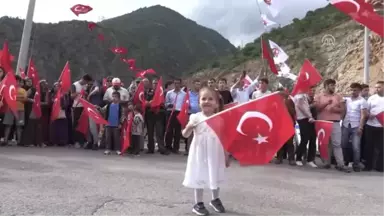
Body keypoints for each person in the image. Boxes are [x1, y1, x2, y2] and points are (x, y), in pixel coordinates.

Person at [182, 87, 229, 216]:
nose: (207, 101)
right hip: (199, 152)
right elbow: (185, 135)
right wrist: (190, 127)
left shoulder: (219, 119)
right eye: (203, 98)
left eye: (210, 99)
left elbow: (223, 138)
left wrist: (226, 154)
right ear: (199, 102)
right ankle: (198, 203)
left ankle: (215, 199)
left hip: (215, 152)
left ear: (216, 103)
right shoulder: (195, 117)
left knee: (216, 174)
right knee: (199, 175)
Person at [314, 79, 350, 172]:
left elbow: (343, 109)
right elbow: (317, 109)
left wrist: (334, 109)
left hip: (335, 122)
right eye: (331, 85)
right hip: (323, 122)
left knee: (337, 144)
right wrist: (326, 103)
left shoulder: (338, 96)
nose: (333, 87)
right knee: (325, 143)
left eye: (334, 85)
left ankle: (340, 164)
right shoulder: (319, 96)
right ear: (326, 86)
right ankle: (326, 163)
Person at [341, 83, 367, 172]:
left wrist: (361, 127)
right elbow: (343, 110)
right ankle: (345, 162)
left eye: (355, 90)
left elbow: (363, 115)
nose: (353, 92)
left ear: (359, 91)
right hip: (346, 124)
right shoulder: (347, 100)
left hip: (356, 126)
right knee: (343, 144)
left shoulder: (362, 101)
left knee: (356, 147)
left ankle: (356, 164)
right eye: (351, 90)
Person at [293, 87, 317, 168]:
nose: (312, 92)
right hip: (303, 119)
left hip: (310, 119)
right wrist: (309, 116)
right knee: (305, 139)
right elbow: (301, 107)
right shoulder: (300, 96)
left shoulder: (307, 97)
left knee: (313, 139)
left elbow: (307, 107)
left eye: (313, 90)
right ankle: (298, 158)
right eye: (310, 90)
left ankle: (310, 159)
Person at [363, 81, 384, 172]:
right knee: (369, 146)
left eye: (379, 87)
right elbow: (366, 110)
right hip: (370, 125)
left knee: (381, 147)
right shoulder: (372, 98)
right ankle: (368, 166)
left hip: (382, 126)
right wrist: (369, 114)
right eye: (376, 87)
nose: (376, 89)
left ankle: (380, 167)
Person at [1, 75, 27, 146]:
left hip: (20, 110)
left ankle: (19, 141)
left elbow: (25, 98)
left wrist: (14, 97)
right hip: (10, 109)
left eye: (18, 81)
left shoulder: (23, 90)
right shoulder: (9, 89)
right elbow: (8, 97)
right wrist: (18, 97)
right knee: (8, 125)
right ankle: (5, 140)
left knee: (19, 126)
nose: (16, 82)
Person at [165, 78, 186, 154]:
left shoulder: (184, 94)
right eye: (175, 83)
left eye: (178, 83)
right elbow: (166, 104)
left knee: (177, 131)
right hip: (171, 112)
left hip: (179, 112)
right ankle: (168, 146)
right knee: (169, 130)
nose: (177, 85)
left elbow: (184, 104)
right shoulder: (169, 93)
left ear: (180, 84)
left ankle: (176, 148)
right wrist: (169, 105)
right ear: (174, 84)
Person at [71, 74, 93, 148]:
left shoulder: (85, 86)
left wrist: (86, 94)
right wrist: (79, 93)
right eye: (86, 82)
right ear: (83, 79)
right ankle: (75, 141)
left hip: (84, 107)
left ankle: (82, 141)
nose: (86, 84)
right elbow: (72, 96)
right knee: (76, 124)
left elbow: (86, 95)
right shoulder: (74, 85)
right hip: (76, 106)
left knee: (83, 124)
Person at [184, 79, 201, 156]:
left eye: (199, 84)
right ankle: (188, 150)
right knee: (190, 133)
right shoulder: (188, 94)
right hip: (190, 115)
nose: (198, 86)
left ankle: (198, 151)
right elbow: (184, 103)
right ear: (193, 84)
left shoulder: (201, 94)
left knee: (198, 133)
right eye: (196, 84)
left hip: (200, 115)